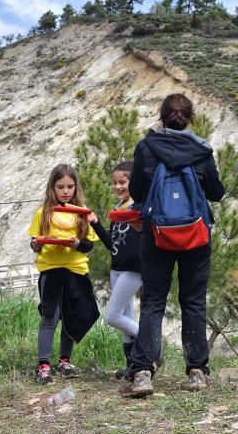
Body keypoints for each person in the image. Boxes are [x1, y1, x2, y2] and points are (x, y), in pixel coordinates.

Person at [120, 93, 226, 398]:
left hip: (157, 235)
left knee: (153, 300)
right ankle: (196, 372)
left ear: (161, 115)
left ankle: (142, 373)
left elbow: (138, 191)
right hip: (195, 234)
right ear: (190, 117)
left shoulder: (146, 147)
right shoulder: (201, 149)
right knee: (193, 300)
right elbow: (216, 192)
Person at [27, 164, 101, 385]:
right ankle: (43, 366)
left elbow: (89, 245)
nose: (65, 191)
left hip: (76, 270)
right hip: (51, 270)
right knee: (50, 316)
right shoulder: (43, 212)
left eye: (70, 186)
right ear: (53, 188)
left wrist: (78, 244)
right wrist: (36, 243)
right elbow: (35, 243)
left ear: (76, 187)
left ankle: (64, 361)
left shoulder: (82, 213)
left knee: (72, 314)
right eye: (61, 187)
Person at [88, 161, 143, 380]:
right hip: (117, 267)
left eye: (123, 182)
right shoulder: (119, 206)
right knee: (125, 317)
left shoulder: (138, 206)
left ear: (134, 182)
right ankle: (133, 366)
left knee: (112, 316)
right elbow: (113, 243)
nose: (118, 186)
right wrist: (94, 223)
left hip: (133, 269)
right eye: (115, 182)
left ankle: (150, 343)